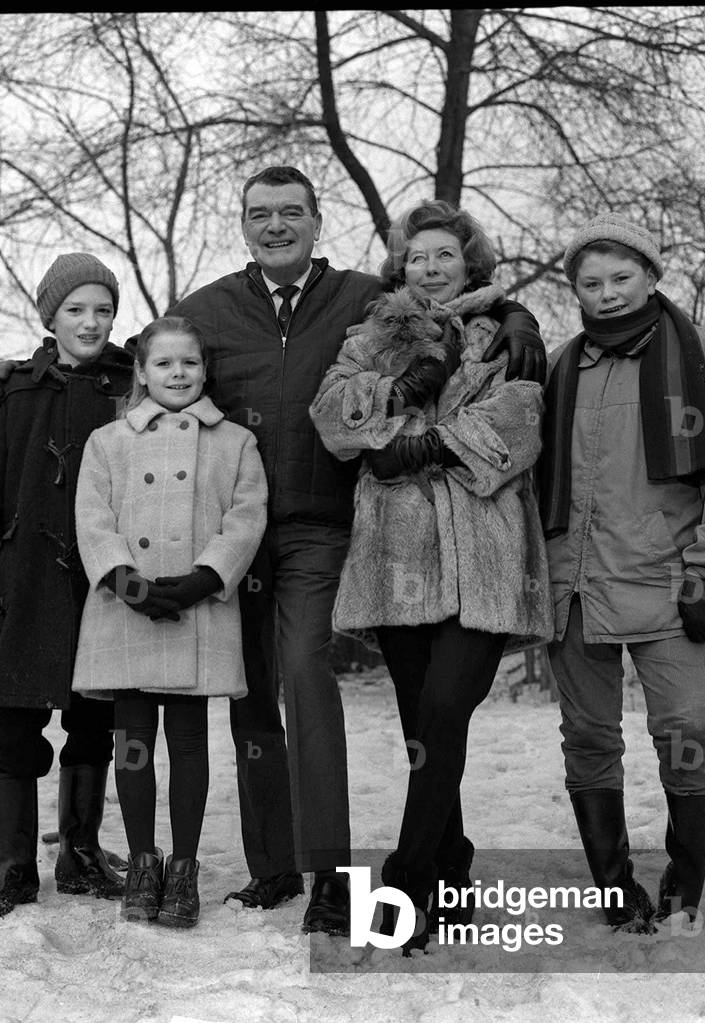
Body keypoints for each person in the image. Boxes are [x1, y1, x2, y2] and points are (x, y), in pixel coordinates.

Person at [0, 166, 548, 936]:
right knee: (249, 700)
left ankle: (331, 877)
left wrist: (520, 318)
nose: (274, 225)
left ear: (317, 220)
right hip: (227, 538)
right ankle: (272, 862)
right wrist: (20, 371)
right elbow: (144, 364)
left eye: (290, 212)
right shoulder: (208, 308)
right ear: (243, 224)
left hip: (317, 523)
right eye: (259, 214)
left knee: (307, 679)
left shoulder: (358, 299)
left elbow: (441, 305)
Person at [309, 199, 554, 952]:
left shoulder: (505, 333)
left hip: (484, 553)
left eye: (445, 255)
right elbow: (333, 416)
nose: (431, 267)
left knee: (445, 711)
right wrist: (404, 386)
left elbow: (519, 421)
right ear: (401, 265)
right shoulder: (369, 337)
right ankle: (453, 873)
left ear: (471, 262)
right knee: (424, 728)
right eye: (419, 257)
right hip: (398, 559)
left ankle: (405, 882)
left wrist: (420, 448)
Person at [539, 212, 705, 932]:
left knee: (688, 729)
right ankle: (614, 887)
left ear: (650, 275)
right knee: (589, 737)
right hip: (573, 584)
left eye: (621, 278)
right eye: (591, 282)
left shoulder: (701, 355)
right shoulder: (561, 364)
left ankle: (684, 884)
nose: (606, 293)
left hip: (670, 581)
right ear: (575, 288)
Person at [70, 315, 267, 928]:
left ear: (205, 371)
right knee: (131, 745)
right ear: (142, 371)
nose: (177, 374)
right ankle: (142, 861)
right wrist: (127, 581)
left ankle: (183, 867)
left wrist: (204, 579)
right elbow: (93, 518)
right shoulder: (108, 441)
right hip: (124, 608)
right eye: (164, 363)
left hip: (199, 608)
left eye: (189, 363)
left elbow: (246, 516)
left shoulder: (236, 441)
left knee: (187, 744)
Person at [0, 253, 132, 921]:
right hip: (26, 582)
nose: (90, 322)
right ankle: (14, 866)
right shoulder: (16, 394)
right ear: (50, 317)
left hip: (102, 582)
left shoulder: (131, 385)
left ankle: (81, 852)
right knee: (17, 729)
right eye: (76, 310)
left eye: (102, 309)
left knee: (94, 721)